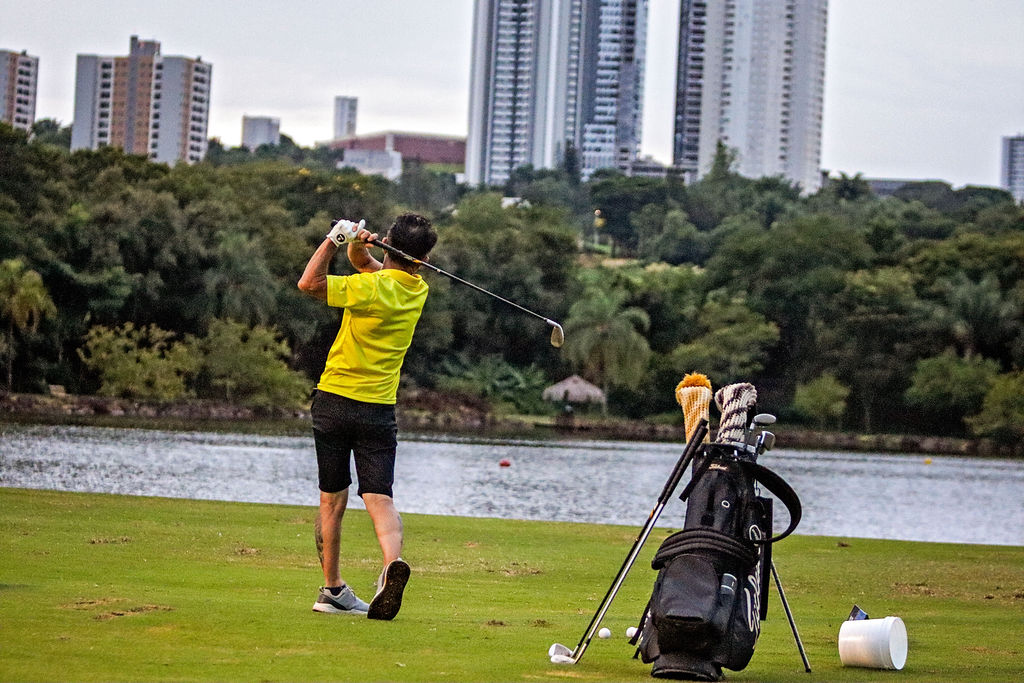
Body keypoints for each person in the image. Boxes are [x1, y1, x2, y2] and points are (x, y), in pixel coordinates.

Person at [297, 213, 437, 619]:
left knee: (331, 499)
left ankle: (332, 590)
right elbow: (366, 264)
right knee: (379, 496)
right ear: (424, 260)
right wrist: (360, 244)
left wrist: (334, 240)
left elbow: (309, 283)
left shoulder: (367, 288)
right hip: (377, 408)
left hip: (334, 400)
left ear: (389, 242)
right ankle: (391, 564)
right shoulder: (417, 290)